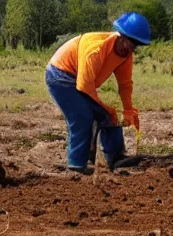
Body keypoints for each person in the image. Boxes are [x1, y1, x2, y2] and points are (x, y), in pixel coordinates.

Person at [45, 12, 150, 173]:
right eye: (130, 43)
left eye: (136, 45)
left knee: (109, 116)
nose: (132, 49)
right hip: (60, 75)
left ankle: (115, 158)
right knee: (82, 117)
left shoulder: (125, 56)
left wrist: (128, 110)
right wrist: (105, 108)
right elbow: (85, 86)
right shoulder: (96, 50)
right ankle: (76, 165)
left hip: (80, 81)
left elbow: (125, 84)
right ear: (121, 36)